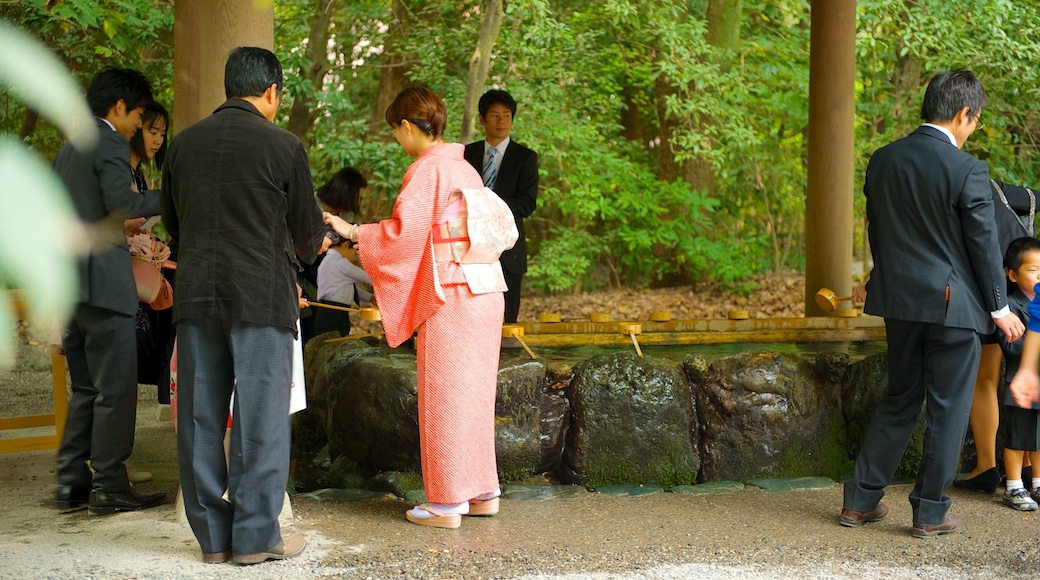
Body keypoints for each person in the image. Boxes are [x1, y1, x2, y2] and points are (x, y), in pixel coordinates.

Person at [839, 70, 1024, 539]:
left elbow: (879, 232)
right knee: (948, 408)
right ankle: (930, 511)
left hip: (899, 303)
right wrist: (1000, 309)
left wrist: (880, 280)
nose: (972, 130)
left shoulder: (883, 160)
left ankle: (859, 502)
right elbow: (983, 247)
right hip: (953, 308)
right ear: (963, 113)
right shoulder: (968, 169)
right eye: (974, 121)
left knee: (900, 397)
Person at [160, 47, 325, 565]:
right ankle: (255, 538)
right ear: (272, 91)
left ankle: (214, 539)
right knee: (260, 417)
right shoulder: (283, 145)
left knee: (199, 417)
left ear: (228, 87)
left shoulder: (183, 147)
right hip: (260, 297)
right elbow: (307, 234)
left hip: (197, 296)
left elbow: (173, 225)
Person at [325, 86, 504, 529]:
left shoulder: (428, 171)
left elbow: (402, 237)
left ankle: (445, 503)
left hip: (455, 294)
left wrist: (353, 231)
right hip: (486, 289)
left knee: (445, 394)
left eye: (396, 132)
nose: (398, 141)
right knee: (476, 396)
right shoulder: (464, 168)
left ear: (407, 127)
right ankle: (482, 491)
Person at [52, 68, 168, 515]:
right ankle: (110, 485)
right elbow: (124, 204)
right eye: (139, 114)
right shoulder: (110, 143)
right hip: (104, 282)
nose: (140, 125)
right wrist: (171, 195)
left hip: (71, 284)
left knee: (85, 387)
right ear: (119, 107)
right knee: (115, 387)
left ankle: (71, 482)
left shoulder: (70, 147)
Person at [955, 180, 1037, 494]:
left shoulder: (955, 186)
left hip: (985, 294)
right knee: (1026, 374)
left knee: (985, 380)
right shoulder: (993, 187)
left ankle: (987, 467)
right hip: (1026, 295)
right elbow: (1032, 199)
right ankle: (1029, 471)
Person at [464, 89, 538, 323]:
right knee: (472, 317)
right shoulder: (466, 153)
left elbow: (526, 204)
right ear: (482, 119)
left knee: (506, 323)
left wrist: (487, 205)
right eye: (495, 115)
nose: (501, 120)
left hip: (509, 250)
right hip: (470, 248)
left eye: (506, 115)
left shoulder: (525, 157)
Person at [995, 236, 1040, 510]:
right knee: (1018, 438)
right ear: (1013, 274)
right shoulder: (1010, 307)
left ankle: (1037, 482)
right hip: (1019, 385)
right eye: (1033, 270)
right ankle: (1013, 486)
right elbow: (1012, 345)